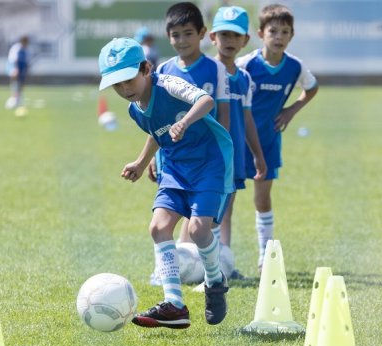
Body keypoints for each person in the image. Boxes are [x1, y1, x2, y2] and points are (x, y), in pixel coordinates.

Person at [98, 37, 233, 328]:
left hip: (209, 162)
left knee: (198, 230)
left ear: (146, 68)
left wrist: (185, 122)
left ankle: (215, 281)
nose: (124, 89)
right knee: (158, 227)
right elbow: (156, 133)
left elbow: (206, 100)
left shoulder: (167, 84)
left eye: (128, 80)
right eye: (116, 85)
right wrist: (141, 162)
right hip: (174, 168)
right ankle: (174, 304)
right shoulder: (135, 109)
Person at [148, 1, 232, 284]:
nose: (181, 41)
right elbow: (155, 120)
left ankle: (209, 273)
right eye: (175, 35)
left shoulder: (216, 69)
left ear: (202, 33)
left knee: (201, 222)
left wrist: (227, 155)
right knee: (164, 218)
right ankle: (170, 271)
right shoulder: (163, 71)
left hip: (208, 159)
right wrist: (151, 158)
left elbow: (223, 116)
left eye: (188, 33)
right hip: (173, 160)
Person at [236, 3, 318, 271]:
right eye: (273, 31)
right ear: (261, 33)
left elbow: (312, 87)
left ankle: (265, 256)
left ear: (292, 35)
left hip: (268, 141)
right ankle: (220, 256)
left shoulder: (295, 67)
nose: (279, 36)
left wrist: (291, 110)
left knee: (262, 198)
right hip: (238, 141)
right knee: (226, 198)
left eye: (285, 31)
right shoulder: (245, 64)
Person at [209, 5, 267, 278]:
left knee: (227, 208)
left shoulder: (244, 78)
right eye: (224, 35)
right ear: (212, 37)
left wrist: (257, 154)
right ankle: (189, 263)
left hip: (233, 155)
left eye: (236, 35)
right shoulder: (206, 71)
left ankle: (224, 263)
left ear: (246, 40)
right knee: (200, 210)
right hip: (205, 155)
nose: (229, 41)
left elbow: (247, 120)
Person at [5, 35, 30, 110]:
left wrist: (27, 69)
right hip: (15, 68)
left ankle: (18, 100)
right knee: (15, 84)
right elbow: (13, 60)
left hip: (22, 69)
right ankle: (13, 101)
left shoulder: (26, 50)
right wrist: (15, 69)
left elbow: (26, 61)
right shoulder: (17, 48)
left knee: (21, 85)